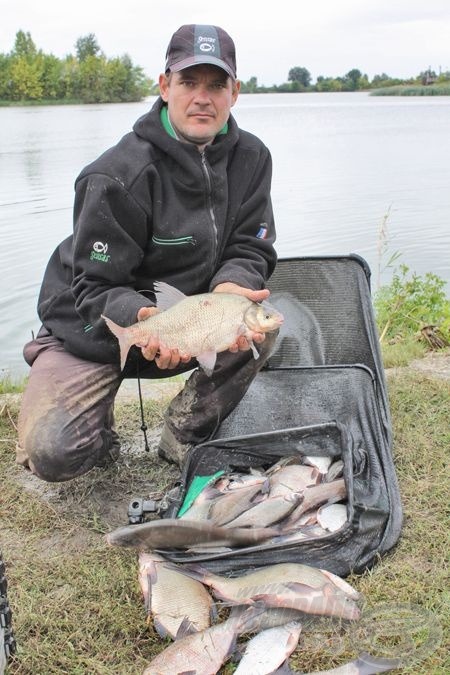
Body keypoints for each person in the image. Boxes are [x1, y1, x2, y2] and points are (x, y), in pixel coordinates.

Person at [15, 24, 278, 481]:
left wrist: (233, 289)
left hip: (190, 321)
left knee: (263, 325)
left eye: (216, 85)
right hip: (93, 325)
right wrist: (145, 318)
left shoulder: (252, 158)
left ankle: (183, 431)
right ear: (164, 86)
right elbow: (92, 286)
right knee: (51, 453)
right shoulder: (116, 174)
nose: (203, 97)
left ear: (235, 92)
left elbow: (251, 244)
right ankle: (94, 426)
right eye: (188, 82)